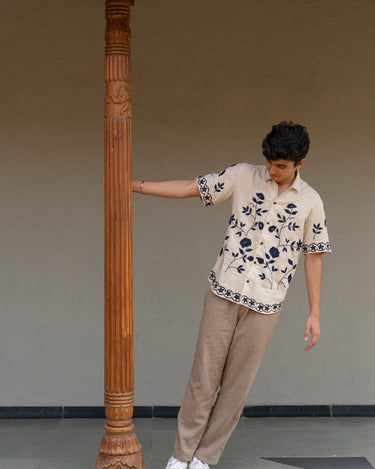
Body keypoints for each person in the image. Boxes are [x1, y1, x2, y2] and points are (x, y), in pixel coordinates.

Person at [132, 122, 331, 469]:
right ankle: (180, 457)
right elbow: (192, 187)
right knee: (203, 379)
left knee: (236, 388)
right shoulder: (242, 176)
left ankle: (204, 459)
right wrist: (136, 186)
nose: (271, 170)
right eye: (269, 162)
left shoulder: (311, 202)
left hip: (266, 305)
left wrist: (314, 313)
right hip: (223, 293)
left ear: (300, 163)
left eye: (281, 166)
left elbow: (313, 256)